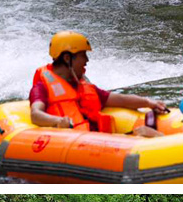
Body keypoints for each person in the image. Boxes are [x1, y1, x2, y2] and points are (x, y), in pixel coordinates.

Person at [28, 31, 168, 136]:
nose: (87, 60)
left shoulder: (84, 86)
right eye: (83, 55)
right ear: (67, 58)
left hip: (93, 140)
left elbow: (121, 99)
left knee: (145, 132)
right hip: (72, 141)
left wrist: (149, 102)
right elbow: (36, 114)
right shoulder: (42, 87)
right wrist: (57, 121)